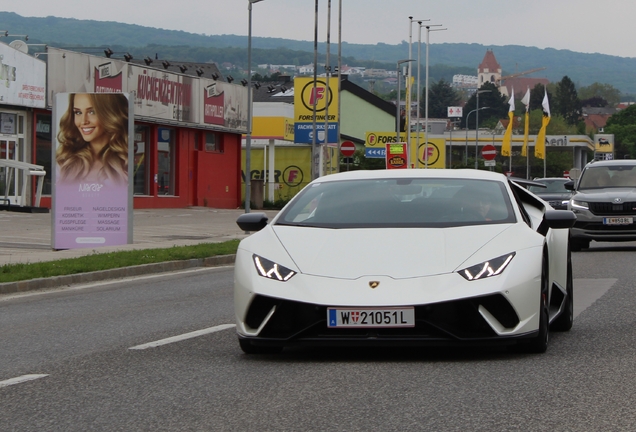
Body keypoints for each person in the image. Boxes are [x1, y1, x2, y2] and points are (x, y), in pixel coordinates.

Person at [56, 93, 129, 185]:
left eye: (92, 112)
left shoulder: (126, 159)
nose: (83, 121)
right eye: (78, 112)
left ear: (110, 114)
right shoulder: (65, 161)